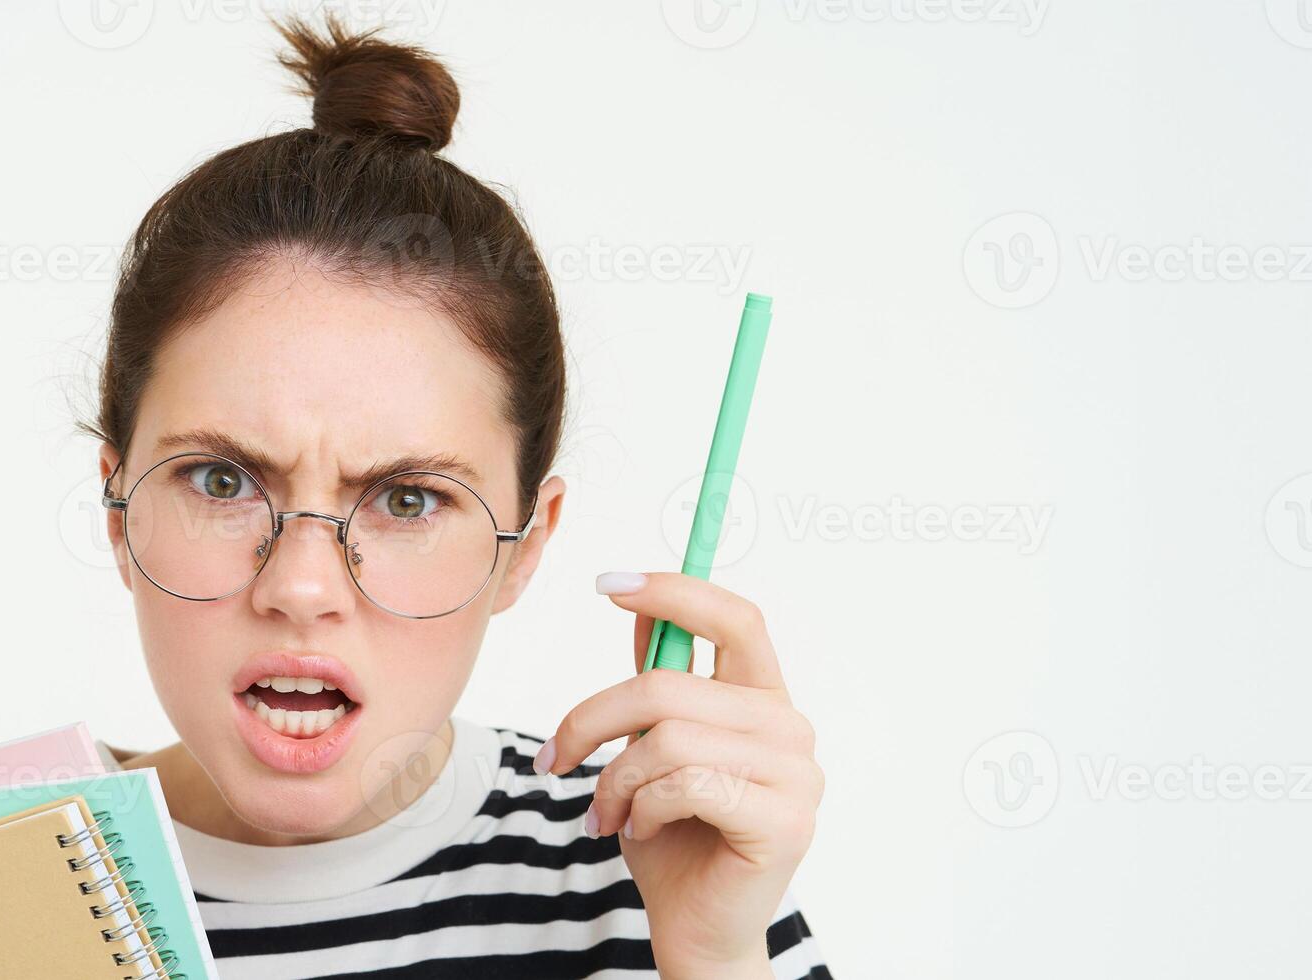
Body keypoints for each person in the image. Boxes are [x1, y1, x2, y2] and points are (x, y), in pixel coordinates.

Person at [86, 16, 832, 979]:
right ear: (117, 513)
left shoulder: (661, 876)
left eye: (406, 500)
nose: (303, 587)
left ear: (523, 545)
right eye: (222, 481)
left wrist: (711, 956)